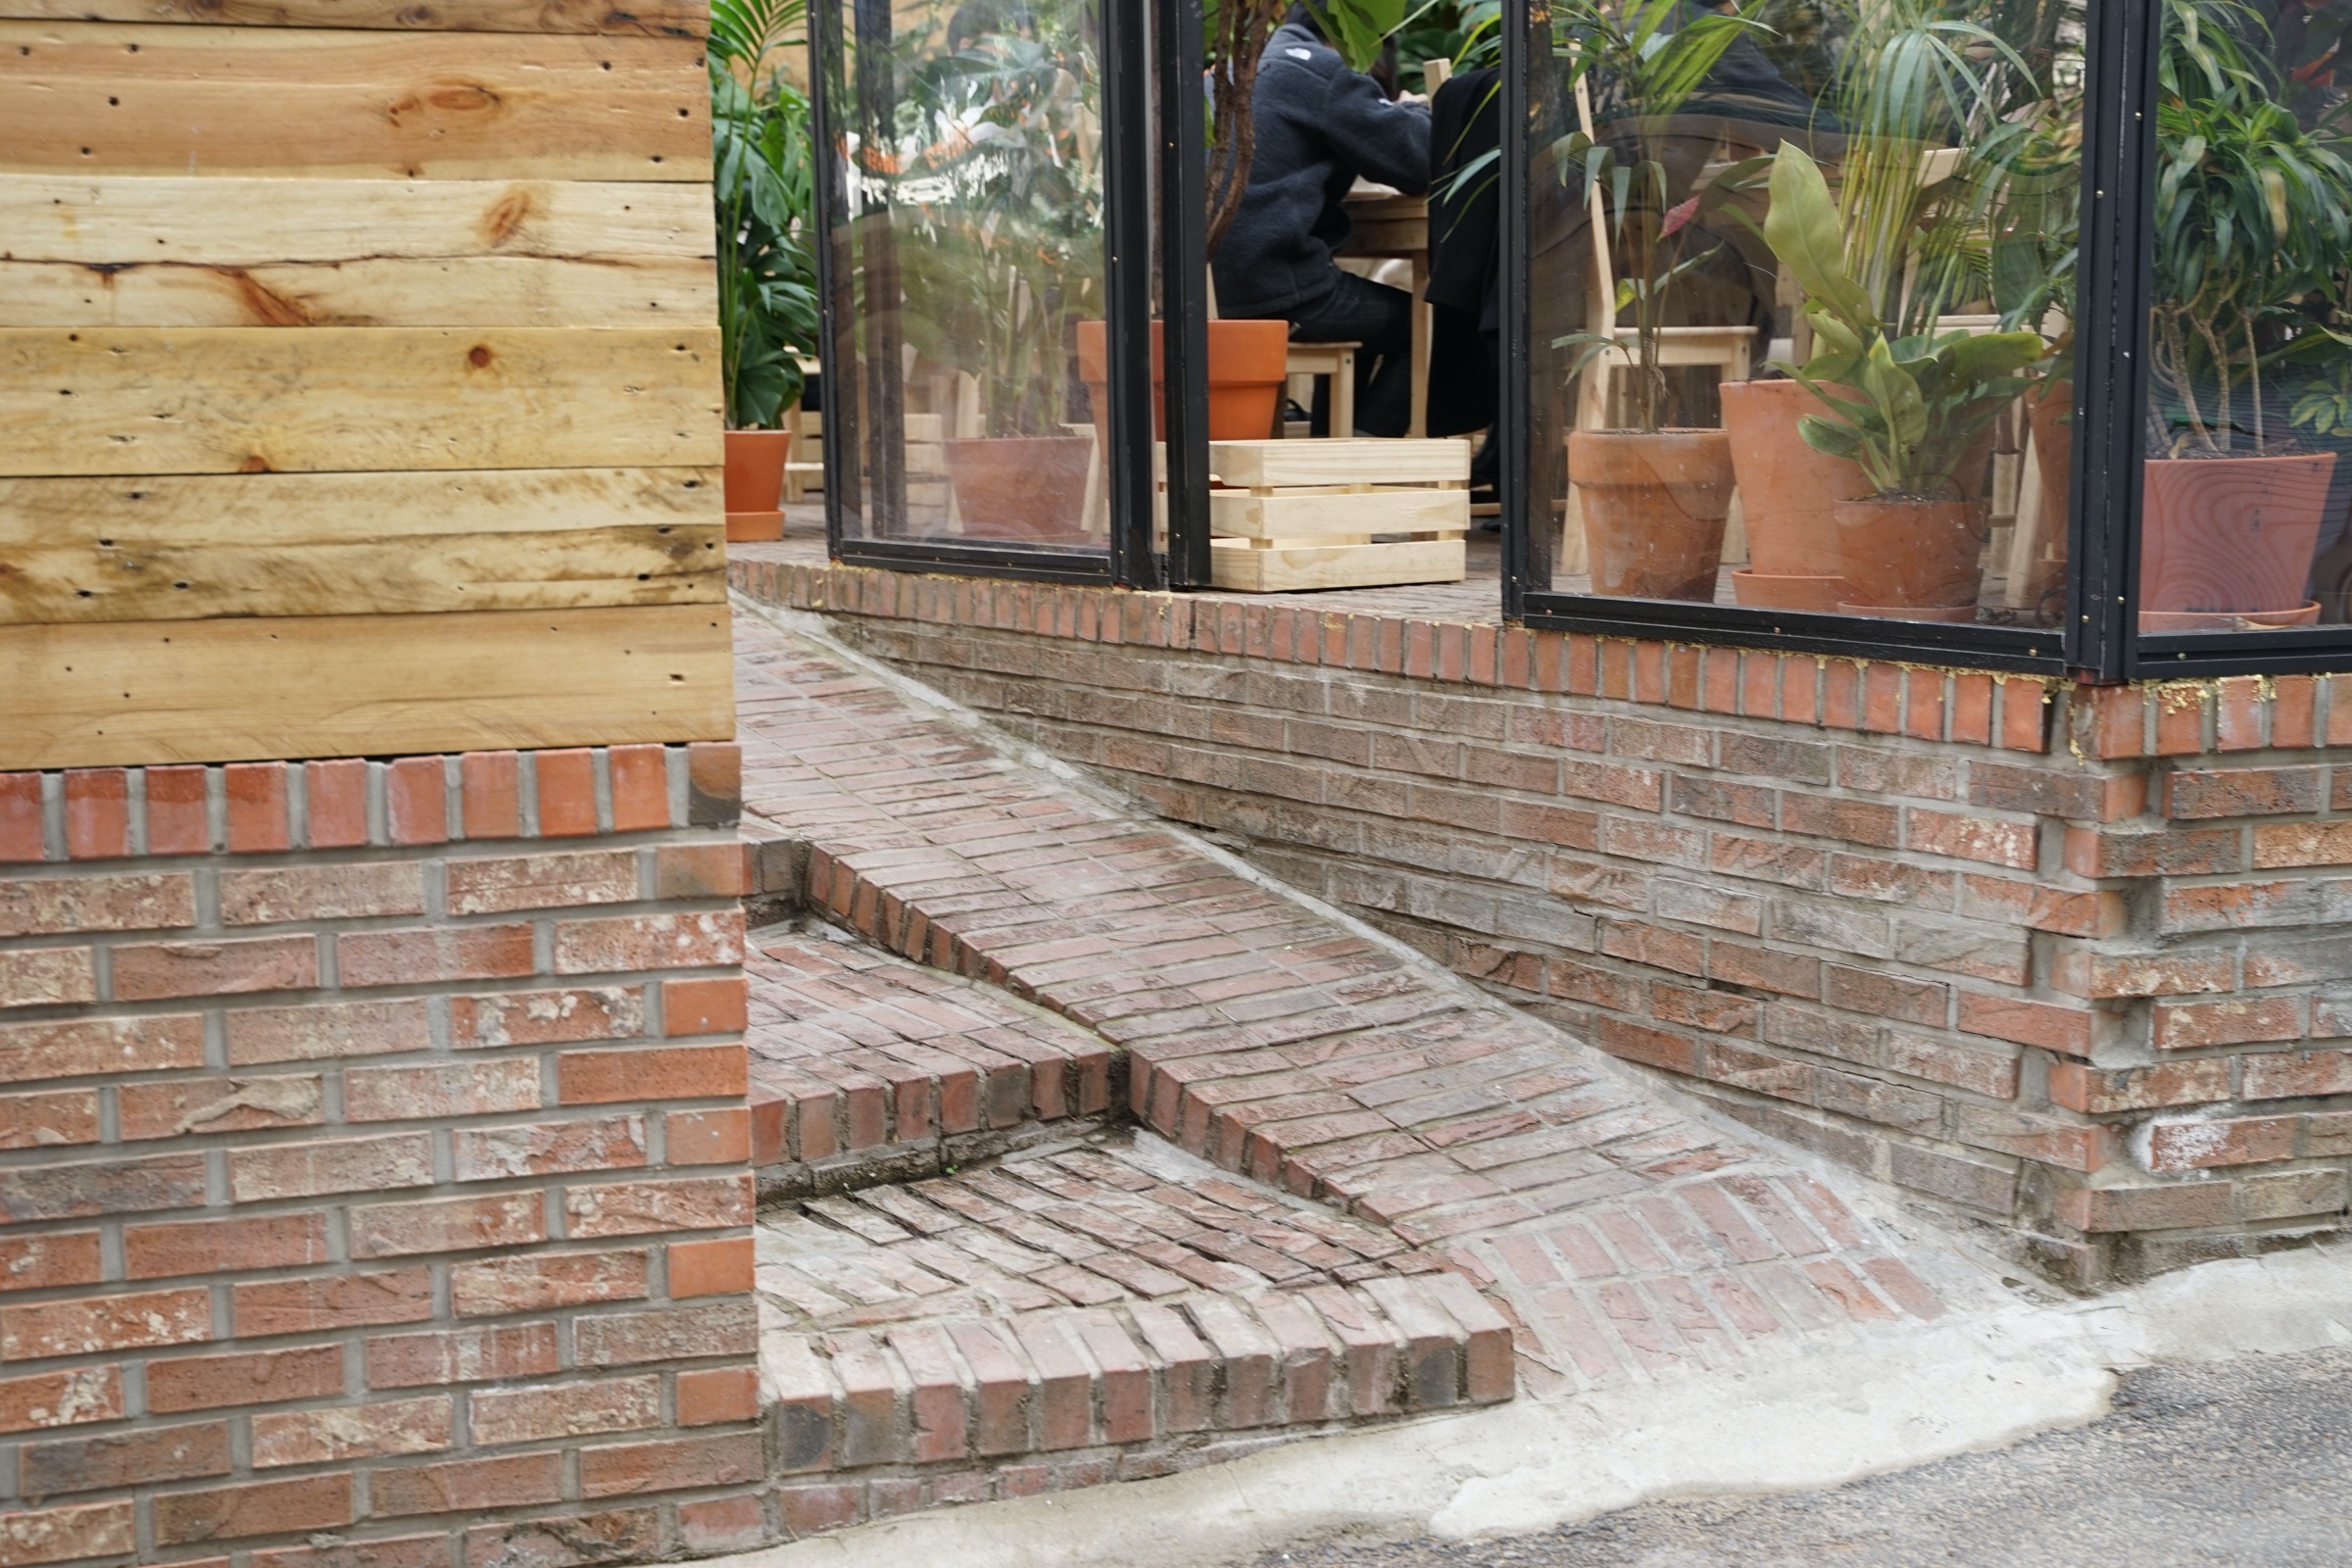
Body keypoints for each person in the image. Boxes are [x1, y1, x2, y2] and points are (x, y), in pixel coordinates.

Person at [1211, 4, 1431, 437]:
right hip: (1268, 292)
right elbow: (1418, 160)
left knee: (1361, 316)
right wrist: (1415, 110)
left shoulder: (1235, 69)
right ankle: (1363, 456)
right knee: (1426, 326)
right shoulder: (1321, 70)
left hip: (1201, 295)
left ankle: (1333, 446)